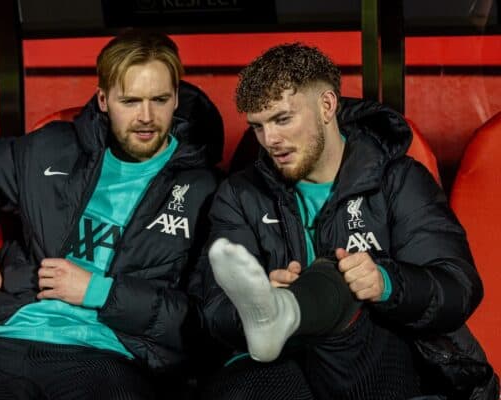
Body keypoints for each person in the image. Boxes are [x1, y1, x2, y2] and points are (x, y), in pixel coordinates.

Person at [0, 29, 221, 399]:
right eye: (130, 101)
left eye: (160, 100)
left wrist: (101, 292)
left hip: (105, 354)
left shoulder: (206, 191)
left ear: (176, 97)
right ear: (103, 99)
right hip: (4, 332)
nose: (146, 117)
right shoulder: (51, 149)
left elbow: (202, 323)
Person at [192, 43, 498, 399]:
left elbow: (458, 288)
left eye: (282, 119)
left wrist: (385, 282)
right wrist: (255, 300)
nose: (270, 140)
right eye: (257, 127)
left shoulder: (397, 180)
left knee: (340, 274)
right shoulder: (240, 194)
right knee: (238, 389)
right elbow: (212, 310)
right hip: (292, 361)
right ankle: (276, 313)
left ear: (326, 106)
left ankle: (285, 313)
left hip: (385, 363)